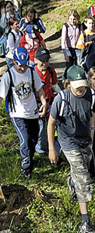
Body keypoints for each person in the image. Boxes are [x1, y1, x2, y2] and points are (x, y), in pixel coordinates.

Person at [47, 65, 95, 233]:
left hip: (85, 140)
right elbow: (51, 124)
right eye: (77, 87)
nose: (80, 89)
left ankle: (71, 180)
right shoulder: (61, 99)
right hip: (68, 142)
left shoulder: (91, 94)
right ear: (68, 84)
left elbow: (92, 112)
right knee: (83, 179)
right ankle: (85, 222)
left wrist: (92, 131)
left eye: (83, 85)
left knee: (81, 169)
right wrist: (51, 149)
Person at [0, 47, 47, 179]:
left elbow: (39, 89)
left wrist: (43, 101)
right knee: (25, 140)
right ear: (14, 61)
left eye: (25, 64)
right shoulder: (8, 76)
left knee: (33, 139)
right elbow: (1, 96)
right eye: (20, 65)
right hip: (17, 114)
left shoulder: (31, 72)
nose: (22, 68)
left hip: (32, 112)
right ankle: (26, 169)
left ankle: (30, 159)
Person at [34, 48, 60, 155]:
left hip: (51, 103)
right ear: (35, 60)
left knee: (54, 124)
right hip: (37, 105)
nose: (45, 64)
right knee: (41, 128)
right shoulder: (32, 73)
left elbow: (54, 85)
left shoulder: (51, 71)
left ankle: (55, 146)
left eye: (47, 61)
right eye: (42, 61)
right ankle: (41, 149)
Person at [61, 10, 82, 80]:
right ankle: (65, 78)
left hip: (77, 48)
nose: (72, 21)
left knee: (78, 64)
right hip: (68, 48)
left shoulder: (79, 25)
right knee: (69, 65)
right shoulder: (66, 26)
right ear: (68, 18)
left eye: (74, 19)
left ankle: (76, 78)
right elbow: (63, 40)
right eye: (71, 19)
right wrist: (65, 54)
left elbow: (82, 37)